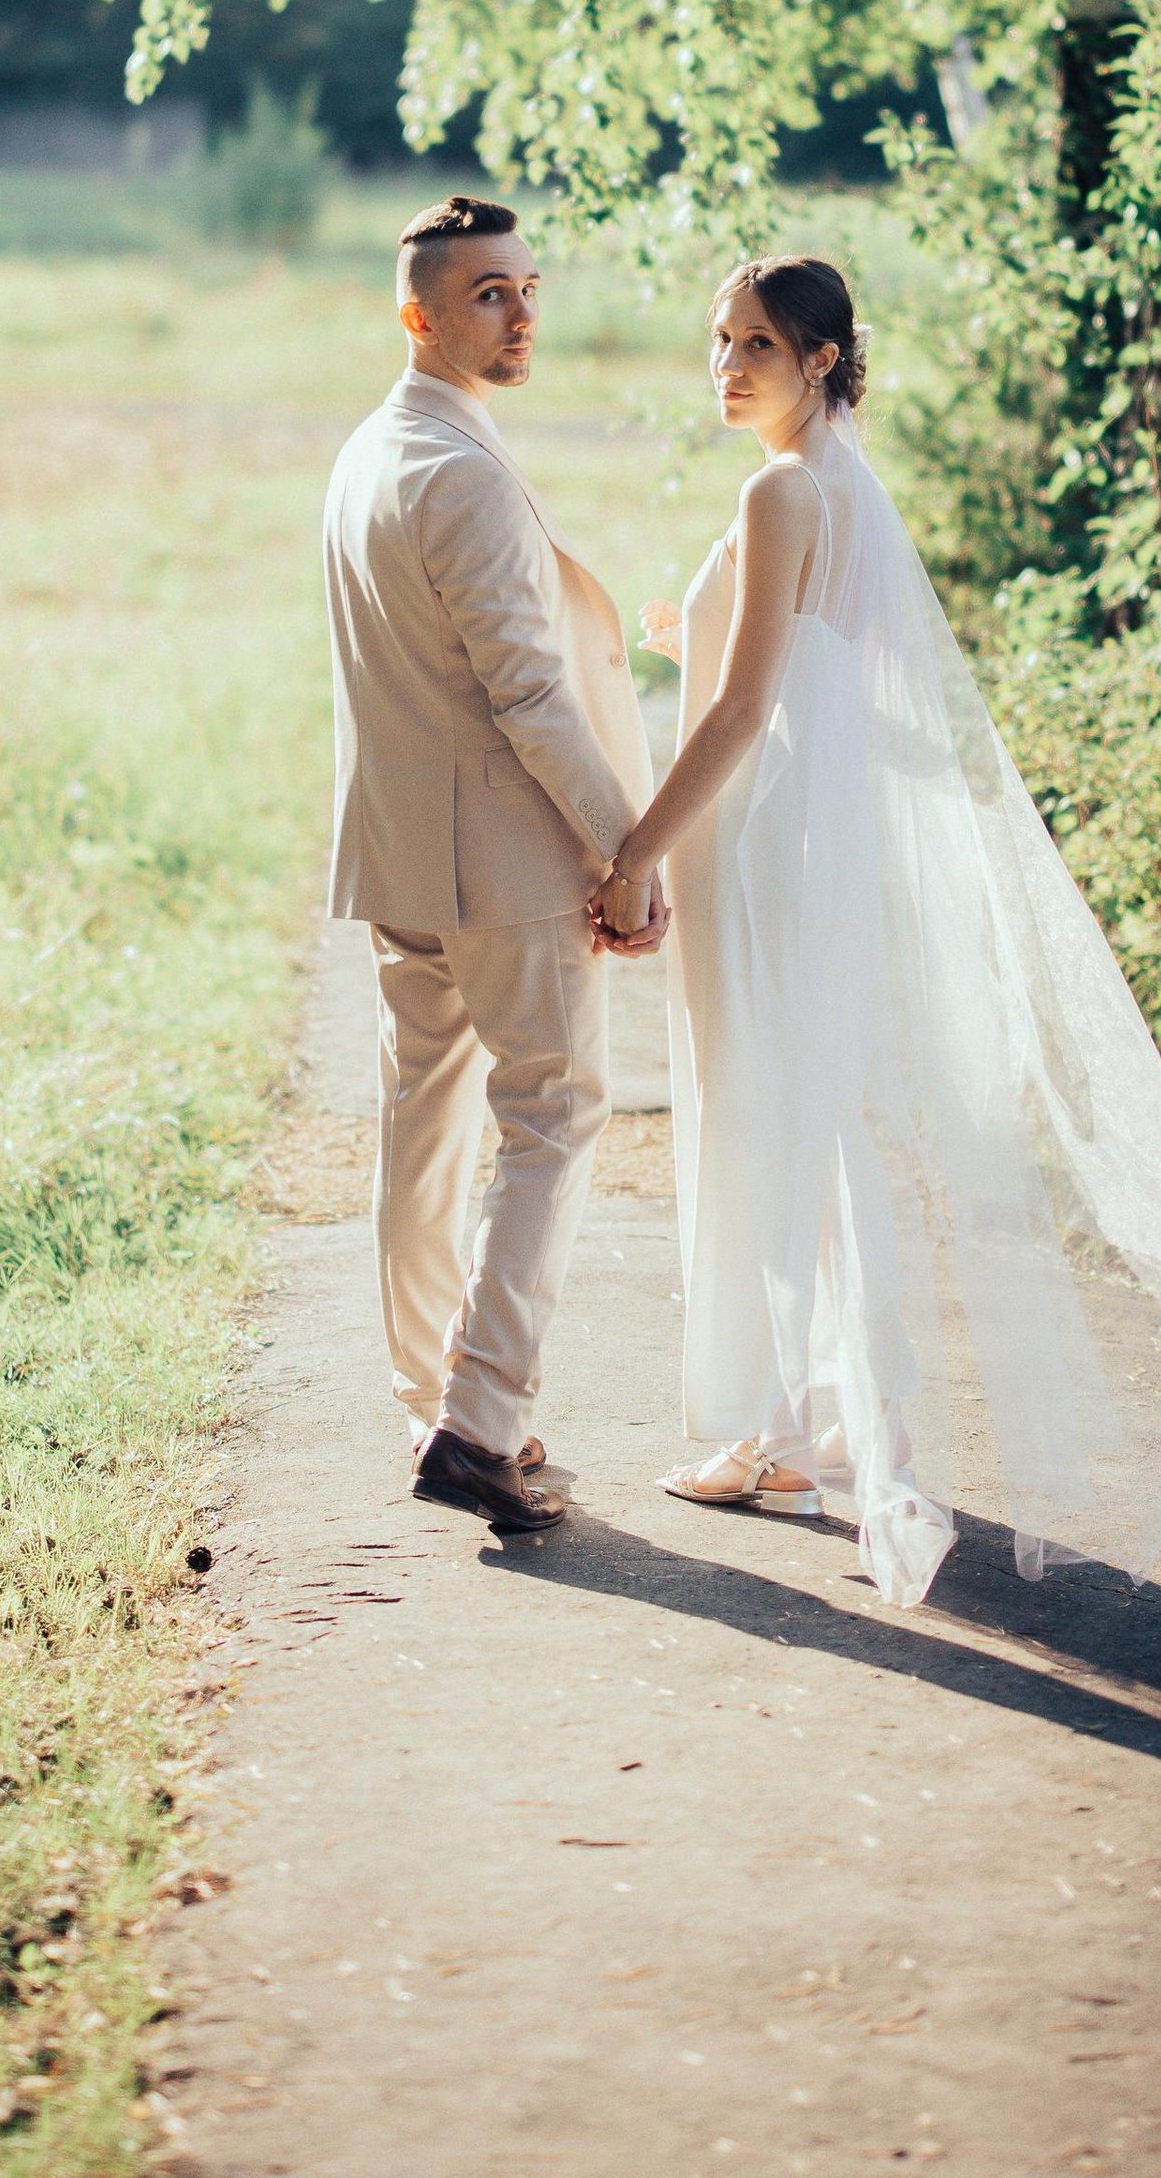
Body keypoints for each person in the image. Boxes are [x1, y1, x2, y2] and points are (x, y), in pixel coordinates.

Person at [610, 254, 1161, 1609]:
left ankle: (844, 1444)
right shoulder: (842, 488)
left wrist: (636, 846)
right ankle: (795, 1432)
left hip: (762, 853)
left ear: (820, 358)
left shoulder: (782, 488)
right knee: (800, 1131)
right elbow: (824, 672)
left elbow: (746, 713)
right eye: (717, 341)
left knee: (778, 1132)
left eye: (756, 343)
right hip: (810, 853)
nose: (726, 364)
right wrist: (686, 621)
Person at [321, 195, 666, 1539]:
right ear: (419, 312)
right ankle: (481, 1419)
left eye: (526, 289)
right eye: (487, 296)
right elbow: (530, 695)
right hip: (498, 859)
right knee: (557, 1111)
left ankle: (434, 1395)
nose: (520, 314)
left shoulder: (372, 447)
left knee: (429, 1125)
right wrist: (622, 850)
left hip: (405, 854)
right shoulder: (453, 469)